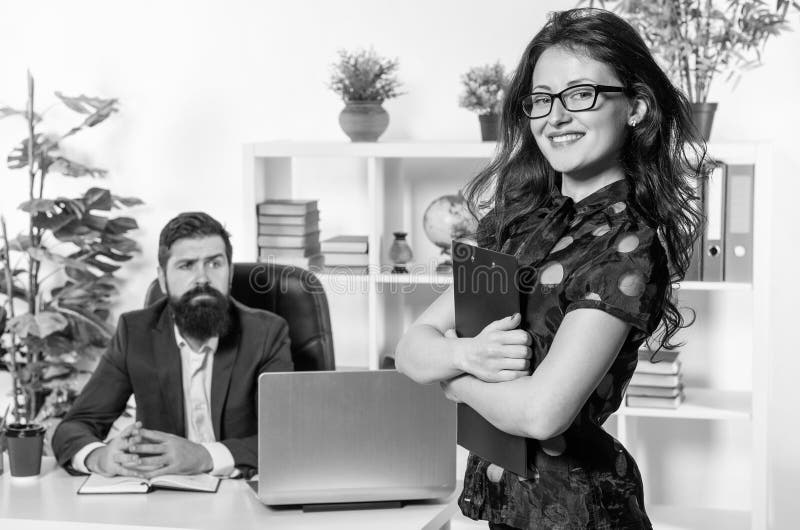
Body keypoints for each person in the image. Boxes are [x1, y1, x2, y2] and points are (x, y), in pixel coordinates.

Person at [396, 8, 706, 530]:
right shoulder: (518, 222)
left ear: (635, 106)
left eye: (581, 93)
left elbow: (543, 413)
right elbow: (410, 349)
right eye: (541, 100)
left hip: (581, 515)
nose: (555, 117)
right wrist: (464, 352)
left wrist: (454, 381)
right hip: (509, 511)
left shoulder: (628, 246)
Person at [52, 212, 293, 480]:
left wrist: (203, 456)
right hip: (163, 500)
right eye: (186, 265)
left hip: (241, 495)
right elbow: (73, 428)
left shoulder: (267, 334)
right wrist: (101, 458)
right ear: (163, 279)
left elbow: (287, 435)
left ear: (230, 272)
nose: (202, 278)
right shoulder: (135, 333)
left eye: (214, 263)